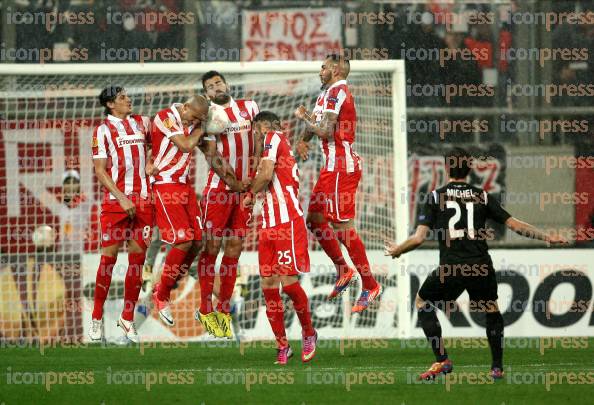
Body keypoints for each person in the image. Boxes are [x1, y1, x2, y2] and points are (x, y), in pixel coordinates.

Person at [385, 147, 568, 380]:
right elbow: (514, 225)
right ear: (469, 169)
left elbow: (419, 237)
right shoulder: (481, 195)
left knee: (423, 302)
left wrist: (398, 250)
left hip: (450, 268)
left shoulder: (435, 197)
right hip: (480, 265)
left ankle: (442, 360)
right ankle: (497, 367)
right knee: (490, 308)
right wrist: (547, 237)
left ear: (446, 167)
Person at [294, 54, 381, 312]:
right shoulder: (326, 93)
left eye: (323, 66)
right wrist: (303, 138)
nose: (320, 70)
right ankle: (343, 269)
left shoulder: (338, 91)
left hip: (342, 167)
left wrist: (303, 117)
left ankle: (370, 284)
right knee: (315, 219)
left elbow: (327, 131)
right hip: (330, 168)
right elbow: (319, 124)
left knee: (342, 226)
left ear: (335, 69)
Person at [243, 111, 317, 364]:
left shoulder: (273, 137)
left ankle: (308, 332)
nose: (254, 134)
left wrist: (249, 194)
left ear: (262, 126)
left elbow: (264, 176)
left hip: (287, 222)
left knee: (288, 282)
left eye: (255, 129)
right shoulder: (273, 146)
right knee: (267, 284)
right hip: (269, 224)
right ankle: (282, 345)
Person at [195, 70, 258, 338]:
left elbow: (258, 144)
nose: (216, 88)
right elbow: (210, 155)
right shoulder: (207, 117)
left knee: (234, 248)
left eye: (218, 82)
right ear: (206, 94)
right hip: (219, 190)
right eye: (210, 87)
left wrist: (252, 182)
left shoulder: (249, 107)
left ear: (227, 84)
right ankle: (205, 307)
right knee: (211, 247)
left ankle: (223, 309)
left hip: (243, 191)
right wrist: (234, 182)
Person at [90, 86, 154, 343]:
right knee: (109, 260)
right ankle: (96, 317)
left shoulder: (141, 123)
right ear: (109, 105)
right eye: (122, 98)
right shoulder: (102, 130)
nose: (129, 99)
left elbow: (159, 142)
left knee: (138, 263)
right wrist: (121, 197)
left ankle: (127, 319)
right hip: (116, 203)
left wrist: (150, 160)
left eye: (128, 95)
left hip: (144, 202)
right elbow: (100, 170)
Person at [150, 96, 210, 327]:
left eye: (198, 119)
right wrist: (203, 127)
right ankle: (162, 294)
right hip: (165, 184)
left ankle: (168, 281)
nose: (194, 121)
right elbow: (185, 145)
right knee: (183, 240)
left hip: (184, 185)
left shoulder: (194, 121)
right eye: (193, 117)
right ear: (185, 107)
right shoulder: (165, 117)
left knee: (198, 241)